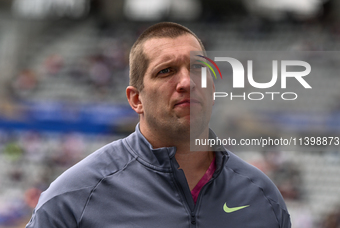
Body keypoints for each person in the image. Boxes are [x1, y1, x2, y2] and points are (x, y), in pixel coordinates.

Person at [26, 22, 291, 228]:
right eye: (166, 71)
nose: (187, 82)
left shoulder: (261, 195)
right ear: (136, 99)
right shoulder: (75, 196)